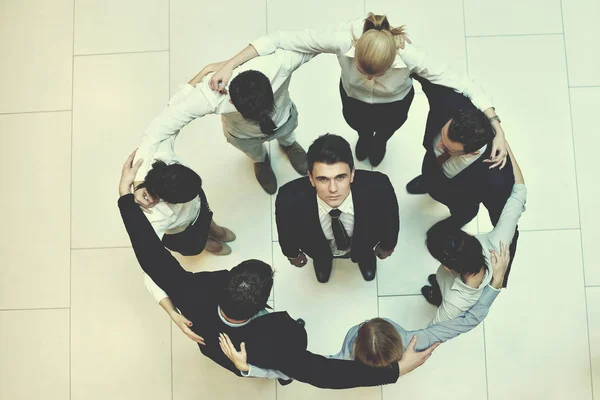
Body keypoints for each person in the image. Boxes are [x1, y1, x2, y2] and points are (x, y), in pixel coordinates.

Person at [117, 150, 434, 389]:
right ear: (263, 304)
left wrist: (126, 198)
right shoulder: (277, 342)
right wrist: (396, 370)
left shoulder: (191, 291)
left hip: (214, 347)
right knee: (284, 370)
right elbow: (325, 374)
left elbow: (151, 256)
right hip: (264, 358)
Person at [209, 13, 508, 167]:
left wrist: (497, 127)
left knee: (387, 132)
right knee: (359, 129)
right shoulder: (342, 38)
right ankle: (366, 140)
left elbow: (463, 82)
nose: (366, 76)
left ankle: (380, 144)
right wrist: (229, 63)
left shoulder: (412, 57)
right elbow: (280, 39)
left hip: (395, 105)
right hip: (353, 101)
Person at [219, 242, 510, 378]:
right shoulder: (415, 340)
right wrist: (494, 284)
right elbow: (468, 321)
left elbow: (291, 369)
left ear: (358, 334)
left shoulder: (340, 362)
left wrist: (249, 369)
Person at [133, 48, 316, 196]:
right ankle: (260, 160)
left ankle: (289, 145)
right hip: (243, 136)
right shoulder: (212, 95)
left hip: (285, 119)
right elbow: (164, 122)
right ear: (230, 100)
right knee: (252, 151)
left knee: (288, 134)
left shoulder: (280, 64)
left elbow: (318, 40)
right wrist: (140, 179)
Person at [407, 74, 521, 287]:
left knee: (463, 212)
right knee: (430, 177)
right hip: (433, 170)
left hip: (460, 198)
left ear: (474, 150)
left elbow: (508, 226)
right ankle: (428, 182)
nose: (439, 145)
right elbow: (427, 70)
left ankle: (457, 219)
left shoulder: (496, 177)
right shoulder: (450, 102)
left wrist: (500, 277)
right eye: (442, 136)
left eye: (448, 149)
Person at [421, 143, 526, 323]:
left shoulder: (455, 304)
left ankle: (438, 297)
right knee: (440, 283)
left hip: (450, 293)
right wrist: (504, 143)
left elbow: (433, 333)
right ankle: (438, 288)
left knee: (441, 292)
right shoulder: (499, 243)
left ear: (446, 267)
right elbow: (519, 191)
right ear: (468, 237)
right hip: (455, 278)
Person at [275, 134, 399, 283]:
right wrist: (292, 254)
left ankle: (365, 258)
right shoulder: (288, 199)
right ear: (310, 178)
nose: (333, 189)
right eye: (323, 179)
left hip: (364, 243)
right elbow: (285, 231)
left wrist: (387, 246)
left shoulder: (379, 187)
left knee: (364, 250)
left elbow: (391, 220)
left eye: (340, 177)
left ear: (352, 174)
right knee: (320, 253)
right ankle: (323, 261)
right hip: (318, 247)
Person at [132, 131, 235, 256]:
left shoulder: (164, 156)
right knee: (194, 245)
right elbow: (147, 249)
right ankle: (206, 243)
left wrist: (138, 179)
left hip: (198, 210)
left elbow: (157, 131)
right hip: (180, 234)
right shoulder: (153, 214)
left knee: (205, 215)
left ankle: (215, 230)